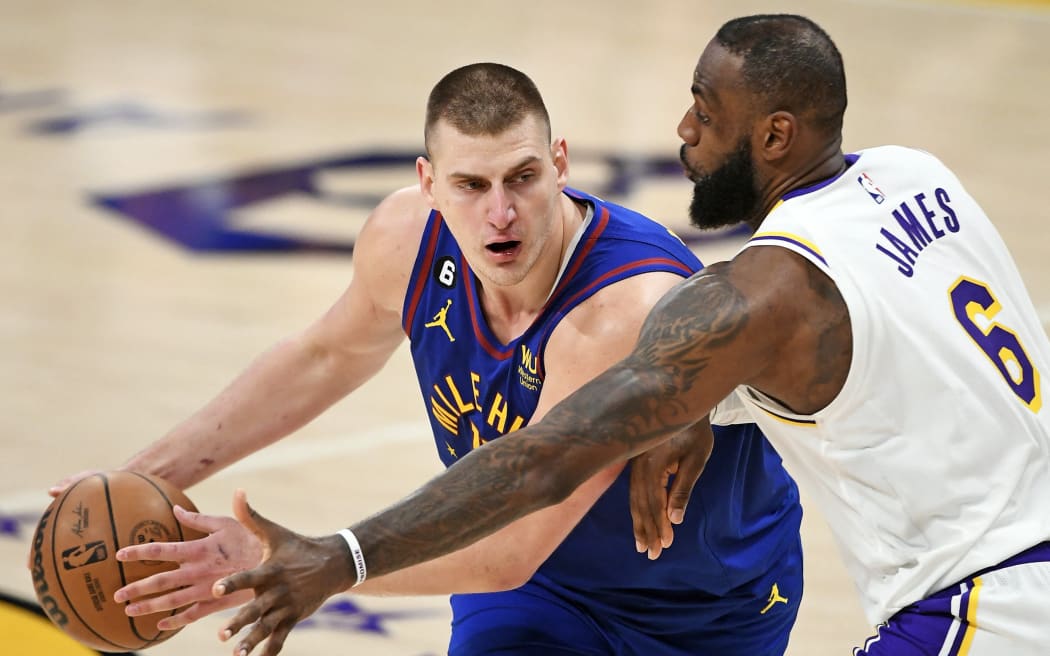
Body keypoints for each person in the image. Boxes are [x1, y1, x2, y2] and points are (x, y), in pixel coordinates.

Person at [214, 14, 1050, 656]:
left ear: (775, 135)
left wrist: (342, 558)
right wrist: (702, 404)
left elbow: (543, 460)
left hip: (985, 607)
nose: (684, 132)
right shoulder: (916, 174)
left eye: (706, 112)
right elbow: (870, 347)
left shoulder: (758, 294)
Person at [49, 63, 804, 654]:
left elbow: (513, 540)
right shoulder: (406, 237)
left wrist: (306, 560)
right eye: (470, 186)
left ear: (562, 165)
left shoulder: (621, 312)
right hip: (534, 591)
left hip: (702, 609)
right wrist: (149, 478)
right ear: (427, 184)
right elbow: (324, 354)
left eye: (523, 178)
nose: (500, 213)